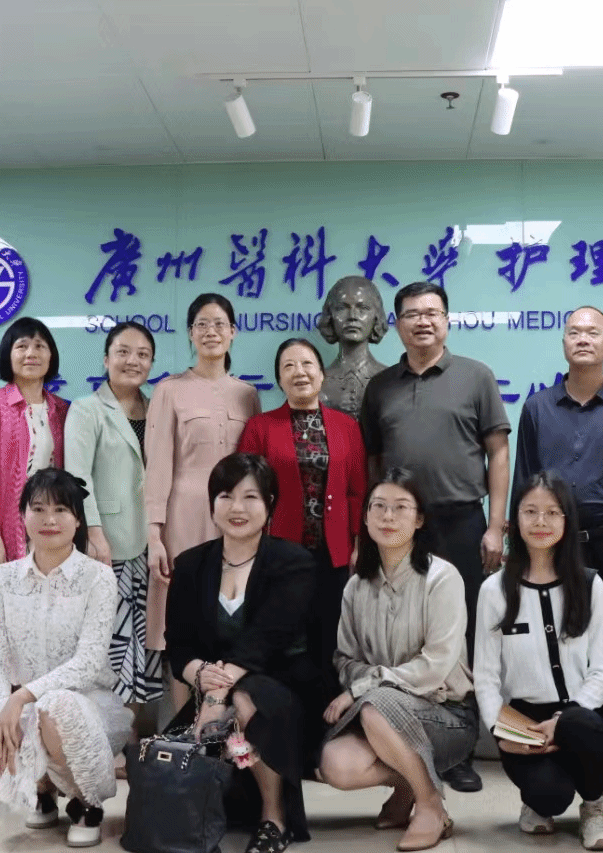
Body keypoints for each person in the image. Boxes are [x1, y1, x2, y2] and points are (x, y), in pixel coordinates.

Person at [360, 280, 510, 792]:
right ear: (396, 324)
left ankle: (457, 748)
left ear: (446, 320)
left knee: (460, 635)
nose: (422, 321)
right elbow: (374, 461)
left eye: (432, 313)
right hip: (397, 527)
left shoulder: (475, 376)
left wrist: (495, 525)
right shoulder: (381, 387)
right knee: (405, 632)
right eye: (412, 314)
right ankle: (406, 734)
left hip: (461, 520)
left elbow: (498, 452)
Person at [512, 305, 603, 792]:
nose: (583, 338)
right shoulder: (537, 408)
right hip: (551, 545)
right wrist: (523, 552)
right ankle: (555, 746)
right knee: (556, 644)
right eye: (573, 331)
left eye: (593, 332)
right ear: (563, 343)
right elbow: (523, 483)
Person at [164, 453, 324, 853]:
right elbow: (177, 644)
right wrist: (199, 672)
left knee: (247, 698)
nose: (237, 508)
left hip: (285, 687)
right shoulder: (190, 564)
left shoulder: (294, 562)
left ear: (269, 504)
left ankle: (275, 817)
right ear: (212, 504)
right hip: (214, 690)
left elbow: (268, 638)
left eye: (250, 497)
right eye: (226, 496)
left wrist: (218, 694)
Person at [318, 469, 474, 853]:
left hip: (447, 714)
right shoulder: (356, 586)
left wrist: (364, 686)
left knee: (376, 706)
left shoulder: (442, 579)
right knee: (335, 764)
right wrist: (367, 683)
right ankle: (408, 781)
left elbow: (435, 666)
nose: (388, 516)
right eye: (379, 507)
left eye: (401, 507)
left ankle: (430, 804)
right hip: (382, 718)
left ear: (419, 519)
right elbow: (345, 658)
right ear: (366, 517)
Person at [0, 469, 133, 847]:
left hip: (89, 705)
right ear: (22, 515)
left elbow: (89, 662)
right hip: (26, 708)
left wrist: (20, 696)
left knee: (55, 706)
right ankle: (42, 792)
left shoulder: (98, 577)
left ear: (78, 520)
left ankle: (87, 803)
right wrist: (3, 710)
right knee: (27, 713)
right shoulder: (3, 579)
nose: (49, 519)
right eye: (39, 508)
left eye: (61, 510)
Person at [474, 473, 603, 850]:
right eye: (531, 511)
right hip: (523, 720)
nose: (541, 522)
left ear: (567, 520)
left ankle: (594, 807)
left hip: (580, 715)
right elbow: (486, 679)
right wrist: (503, 732)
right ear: (514, 520)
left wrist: (564, 719)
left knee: (582, 725)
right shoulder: (494, 590)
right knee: (549, 796)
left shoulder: (589, 585)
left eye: (553, 513)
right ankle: (537, 802)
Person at [145, 292, 260, 703]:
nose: (211, 332)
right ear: (191, 334)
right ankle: (183, 727)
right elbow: (157, 466)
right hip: (184, 517)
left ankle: (225, 723)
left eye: (219, 324)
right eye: (202, 324)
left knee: (232, 615)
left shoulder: (247, 394)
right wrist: (154, 535)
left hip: (237, 522)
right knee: (184, 621)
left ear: (233, 332)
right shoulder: (169, 390)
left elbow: (255, 467)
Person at [238, 337, 367, 675]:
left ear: (322, 374)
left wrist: (358, 543)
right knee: (282, 640)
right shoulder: (260, 427)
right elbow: (246, 494)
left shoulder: (347, 427)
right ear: (279, 379)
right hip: (279, 553)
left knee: (329, 640)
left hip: (334, 554)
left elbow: (357, 491)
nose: (300, 372)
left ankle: (327, 706)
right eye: (289, 366)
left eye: (308, 364)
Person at [64, 321, 162, 710]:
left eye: (143, 354)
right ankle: (100, 731)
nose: (132, 361)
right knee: (109, 640)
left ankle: (134, 731)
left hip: (151, 544)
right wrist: (94, 534)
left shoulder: (157, 409)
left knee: (144, 637)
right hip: (108, 542)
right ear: (106, 359)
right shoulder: (86, 409)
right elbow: (77, 478)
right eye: (123, 352)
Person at [0, 317, 69, 634]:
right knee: (4, 632)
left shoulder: (62, 410)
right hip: (5, 531)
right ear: (8, 355)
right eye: (22, 346)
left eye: (40, 346)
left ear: (51, 355)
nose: (31, 353)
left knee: (49, 631)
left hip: (51, 532)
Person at [317, 275, 390, 418]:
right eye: (342, 308)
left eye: (363, 308)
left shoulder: (391, 379)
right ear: (330, 316)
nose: (352, 316)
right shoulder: (317, 382)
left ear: (376, 316)